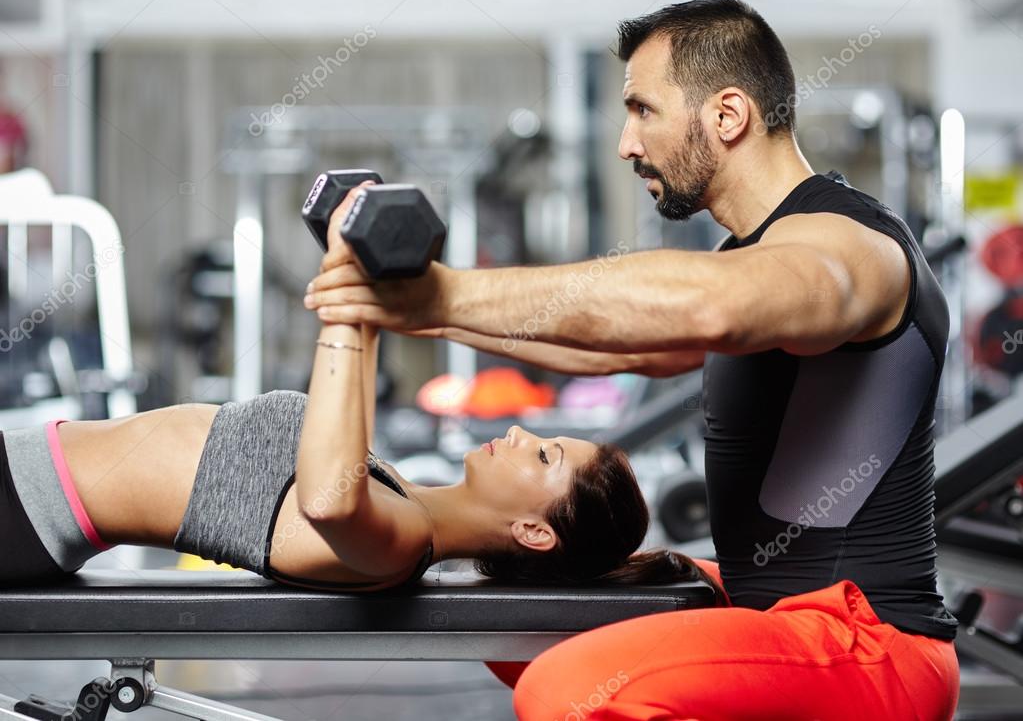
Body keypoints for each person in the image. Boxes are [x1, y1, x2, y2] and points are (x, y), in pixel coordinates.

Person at [303, 0, 961, 721]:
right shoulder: (757, 250)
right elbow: (631, 345)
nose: (625, 143)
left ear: (727, 115)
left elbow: (707, 305)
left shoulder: (847, 248)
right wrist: (410, 312)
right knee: (528, 626)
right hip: (777, 610)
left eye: (642, 110)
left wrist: (446, 295)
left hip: (868, 644)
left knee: (565, 689)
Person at [0, 208, 725, 609]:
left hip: (24, 512)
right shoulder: (403, 494)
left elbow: (326, 500)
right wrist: (405, 299)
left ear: (534, 532)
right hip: (24, 478)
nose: (518, 429)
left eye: (546, 455)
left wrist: (354, 315)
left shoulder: (398, 544)